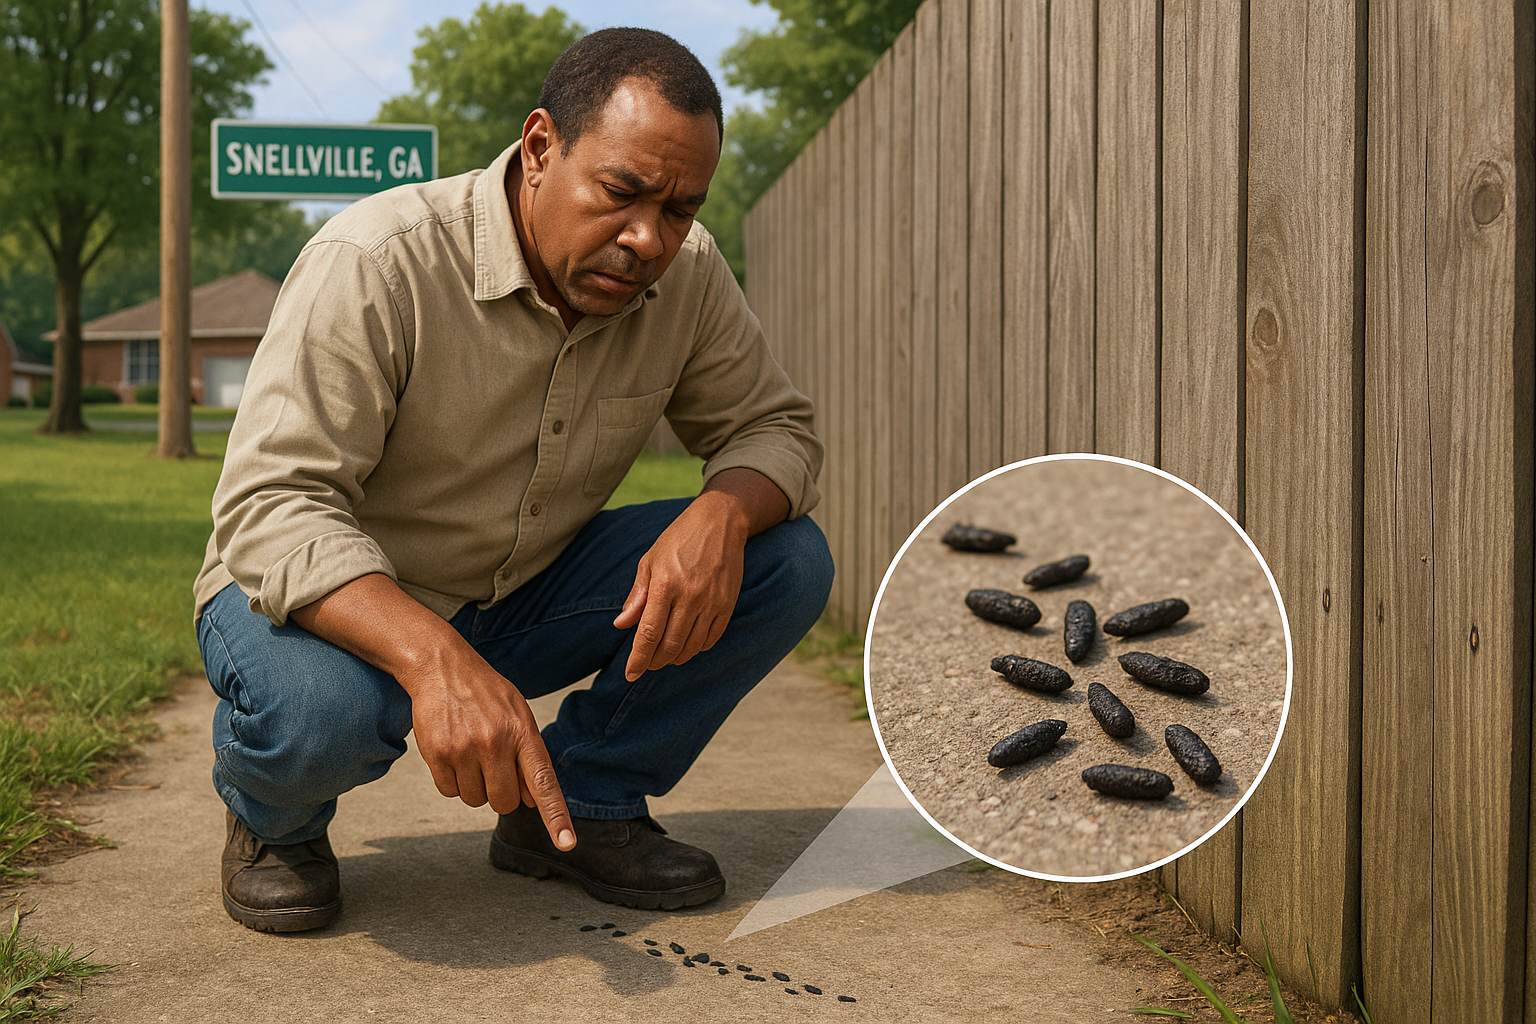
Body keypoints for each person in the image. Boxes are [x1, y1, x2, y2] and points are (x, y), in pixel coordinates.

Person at [193, 28, 832, 934]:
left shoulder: (687, 276)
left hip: (518, 593)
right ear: (540, 149)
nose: (650, 237)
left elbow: (776, 428)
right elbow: (272, 508)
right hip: (309, 606)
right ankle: (275, 823)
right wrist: (433, 659)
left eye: (681, 209)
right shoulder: (377, 261)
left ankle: (576, 804)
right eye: (622, 192)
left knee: (784, 556)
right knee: (322, 714)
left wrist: (724, 513)